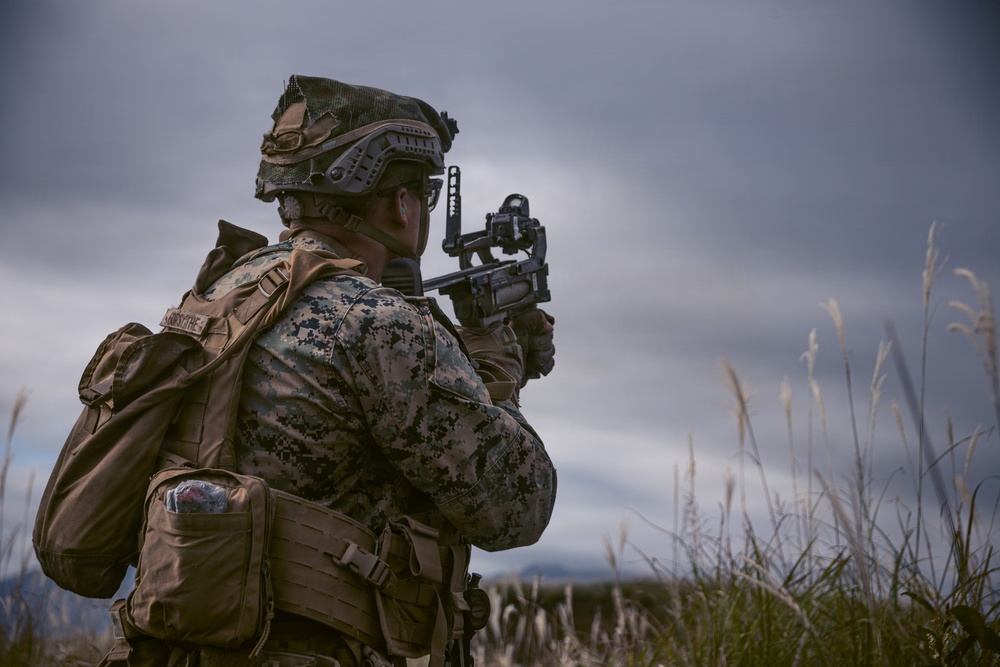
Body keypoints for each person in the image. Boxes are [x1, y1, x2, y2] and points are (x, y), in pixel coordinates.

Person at [189, 75, 558, 666]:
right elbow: (518, 503)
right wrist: (497, 366)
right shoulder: (377, 324)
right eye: (424, 195)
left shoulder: (221, 294)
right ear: (400, 202)